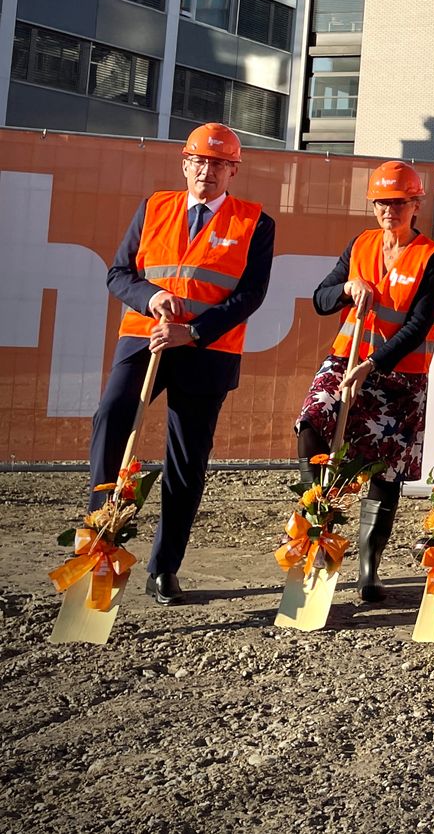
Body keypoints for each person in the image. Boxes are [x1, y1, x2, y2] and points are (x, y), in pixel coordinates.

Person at [88, 123, 274, 604]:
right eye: (199, 160)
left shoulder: (255, 222)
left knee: (185, 462)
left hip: (206, 351)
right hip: (144, 339)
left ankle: (164, 568)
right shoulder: (155, 207)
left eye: (218, 163)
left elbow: (251, 295)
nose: (207, 171)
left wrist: (191, 331)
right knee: (111, 417)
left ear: (233, 169)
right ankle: (100, 536)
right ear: (185, 163)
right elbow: (119, 273)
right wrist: (153, 298)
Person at [293, 160, 434, 601]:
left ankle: (368, 565)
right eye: (381, 203)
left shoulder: (431, 258)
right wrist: (347, 287)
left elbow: (417, 325)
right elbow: (321, 299)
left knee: (385, 466)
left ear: (415, 204)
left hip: (400, 374)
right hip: (346, 358)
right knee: (311, 420)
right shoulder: (360, 245)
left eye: (398, 203)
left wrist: (375, 364)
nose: (388, 211)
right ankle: (318, 518)